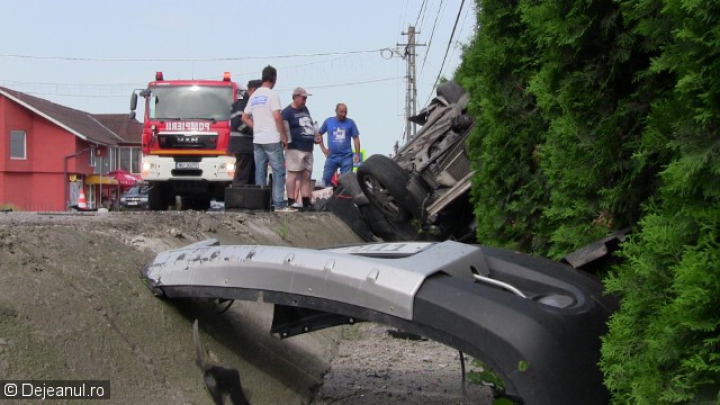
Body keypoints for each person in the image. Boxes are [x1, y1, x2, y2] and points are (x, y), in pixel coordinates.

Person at [241, 66, 295, 212]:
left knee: (260, 171)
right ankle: (278, 204)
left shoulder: (254, 95)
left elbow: (244, 117)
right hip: (271, 138)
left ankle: (261, 204)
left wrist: (256, 126)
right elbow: (277, 116)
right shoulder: (272, 95)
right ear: (274, 79)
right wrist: (283, 136)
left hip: (257, 140)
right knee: (278, 171)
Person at [281, 87, 316, 210]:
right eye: (303, 98)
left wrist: (315, 136)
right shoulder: (287, 112)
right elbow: (283, 129)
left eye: (306, 98)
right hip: (295, 147)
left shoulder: (305, 109)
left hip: (308, 147)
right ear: (295, 97)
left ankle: (306, 200)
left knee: (306, 174)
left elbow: (310, 125)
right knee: (293, 173)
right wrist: (286, 142)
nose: (305, 101)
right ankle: (291, 200)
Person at [317, 103, 361, 187]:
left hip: (346, 156)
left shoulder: (350, 123)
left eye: (345, 112)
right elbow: (319, 134)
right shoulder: (328, 121)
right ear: (336, 111)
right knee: (325, 179)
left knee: (346, 181)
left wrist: (357, 154)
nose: (343, 114)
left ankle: (343, 196)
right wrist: (323, 148)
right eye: (341, 112)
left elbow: (356, 138)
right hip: (332, 156)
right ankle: (332, 192)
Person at [229, 79, 262, 187]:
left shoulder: (248, 102)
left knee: (250, 177)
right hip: (243, 145)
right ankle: (238, 200)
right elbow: (238, 123)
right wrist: (254, 131)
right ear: (252, 90)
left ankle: (248, 202)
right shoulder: (243, 102)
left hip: (248, 146)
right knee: (242, 177)